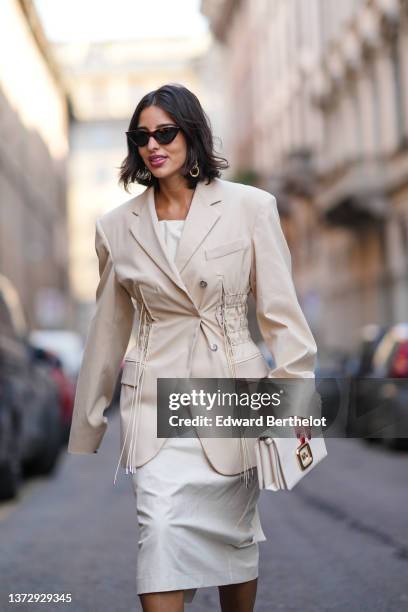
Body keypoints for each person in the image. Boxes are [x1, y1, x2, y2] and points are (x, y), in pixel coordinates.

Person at [68, 83, 316, 612]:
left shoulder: (251, 208)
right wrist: (88, 421)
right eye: (141, 136)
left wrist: (291, 411)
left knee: (235, 542)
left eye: (165, 132)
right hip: (156, 407)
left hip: (233, 398)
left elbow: (282, 318)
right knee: (158, 532)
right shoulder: (116, 227)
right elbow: (108, 330)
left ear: (191, 134)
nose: (152, 145)